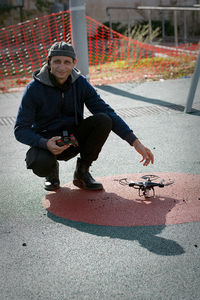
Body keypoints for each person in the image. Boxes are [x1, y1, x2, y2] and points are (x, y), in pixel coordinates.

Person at [14, 41, 154, 192]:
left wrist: (135, 142)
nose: (62, 67)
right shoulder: (34, 89)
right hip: (47, 144)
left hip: (72, 140)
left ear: (74, 63)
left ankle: (82, 172)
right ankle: (52, 172)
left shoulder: (80, 83)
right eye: (57, 62)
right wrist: (44, 143)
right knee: (41, 164)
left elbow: (107, 112)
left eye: (67, 62)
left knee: (103, 119)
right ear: (49, 62)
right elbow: (20, 129)